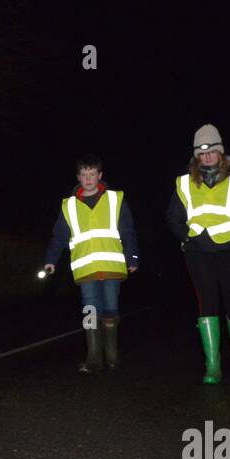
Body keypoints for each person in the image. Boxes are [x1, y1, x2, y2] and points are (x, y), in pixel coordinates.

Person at [166, 125, 230, 384]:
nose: (207, 156)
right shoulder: (184, 182)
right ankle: (213, 362)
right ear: (196, 156)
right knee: (207, 304)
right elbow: (173, 216)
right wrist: (188, 237)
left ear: (221, 152)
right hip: (199, 252)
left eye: (212, 151)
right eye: (201, 152)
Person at [42, 154, 140, 373]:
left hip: (112, 267)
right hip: (86, 268)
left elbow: (128, 230)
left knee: (110, 309)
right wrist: (51, 260)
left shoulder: (116, 199)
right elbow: (59, 236)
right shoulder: (69, 206)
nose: (88, 179)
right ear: (78, 177)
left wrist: (132, 257)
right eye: (84, 175)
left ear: (100, 175)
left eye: (92, 174)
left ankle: (112, 357)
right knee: (89, 310)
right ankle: (93, 358)